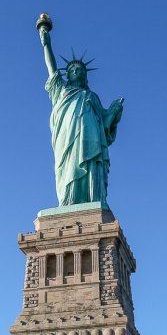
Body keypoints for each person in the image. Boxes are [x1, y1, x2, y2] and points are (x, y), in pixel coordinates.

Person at [39, 24, 124, 206]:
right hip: (67, 140)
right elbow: (52, 70)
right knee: (69, 167)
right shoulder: (61, 91)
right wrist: (46, 45)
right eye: (72, 70)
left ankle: (94, 198)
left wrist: (114, 111)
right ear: (68, 76)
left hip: (91, 141)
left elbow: (105, 125)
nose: (76, 71)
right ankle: (69, 200)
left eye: (80, 70)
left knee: (92, 162)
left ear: (86, 77)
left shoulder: (92, 97)